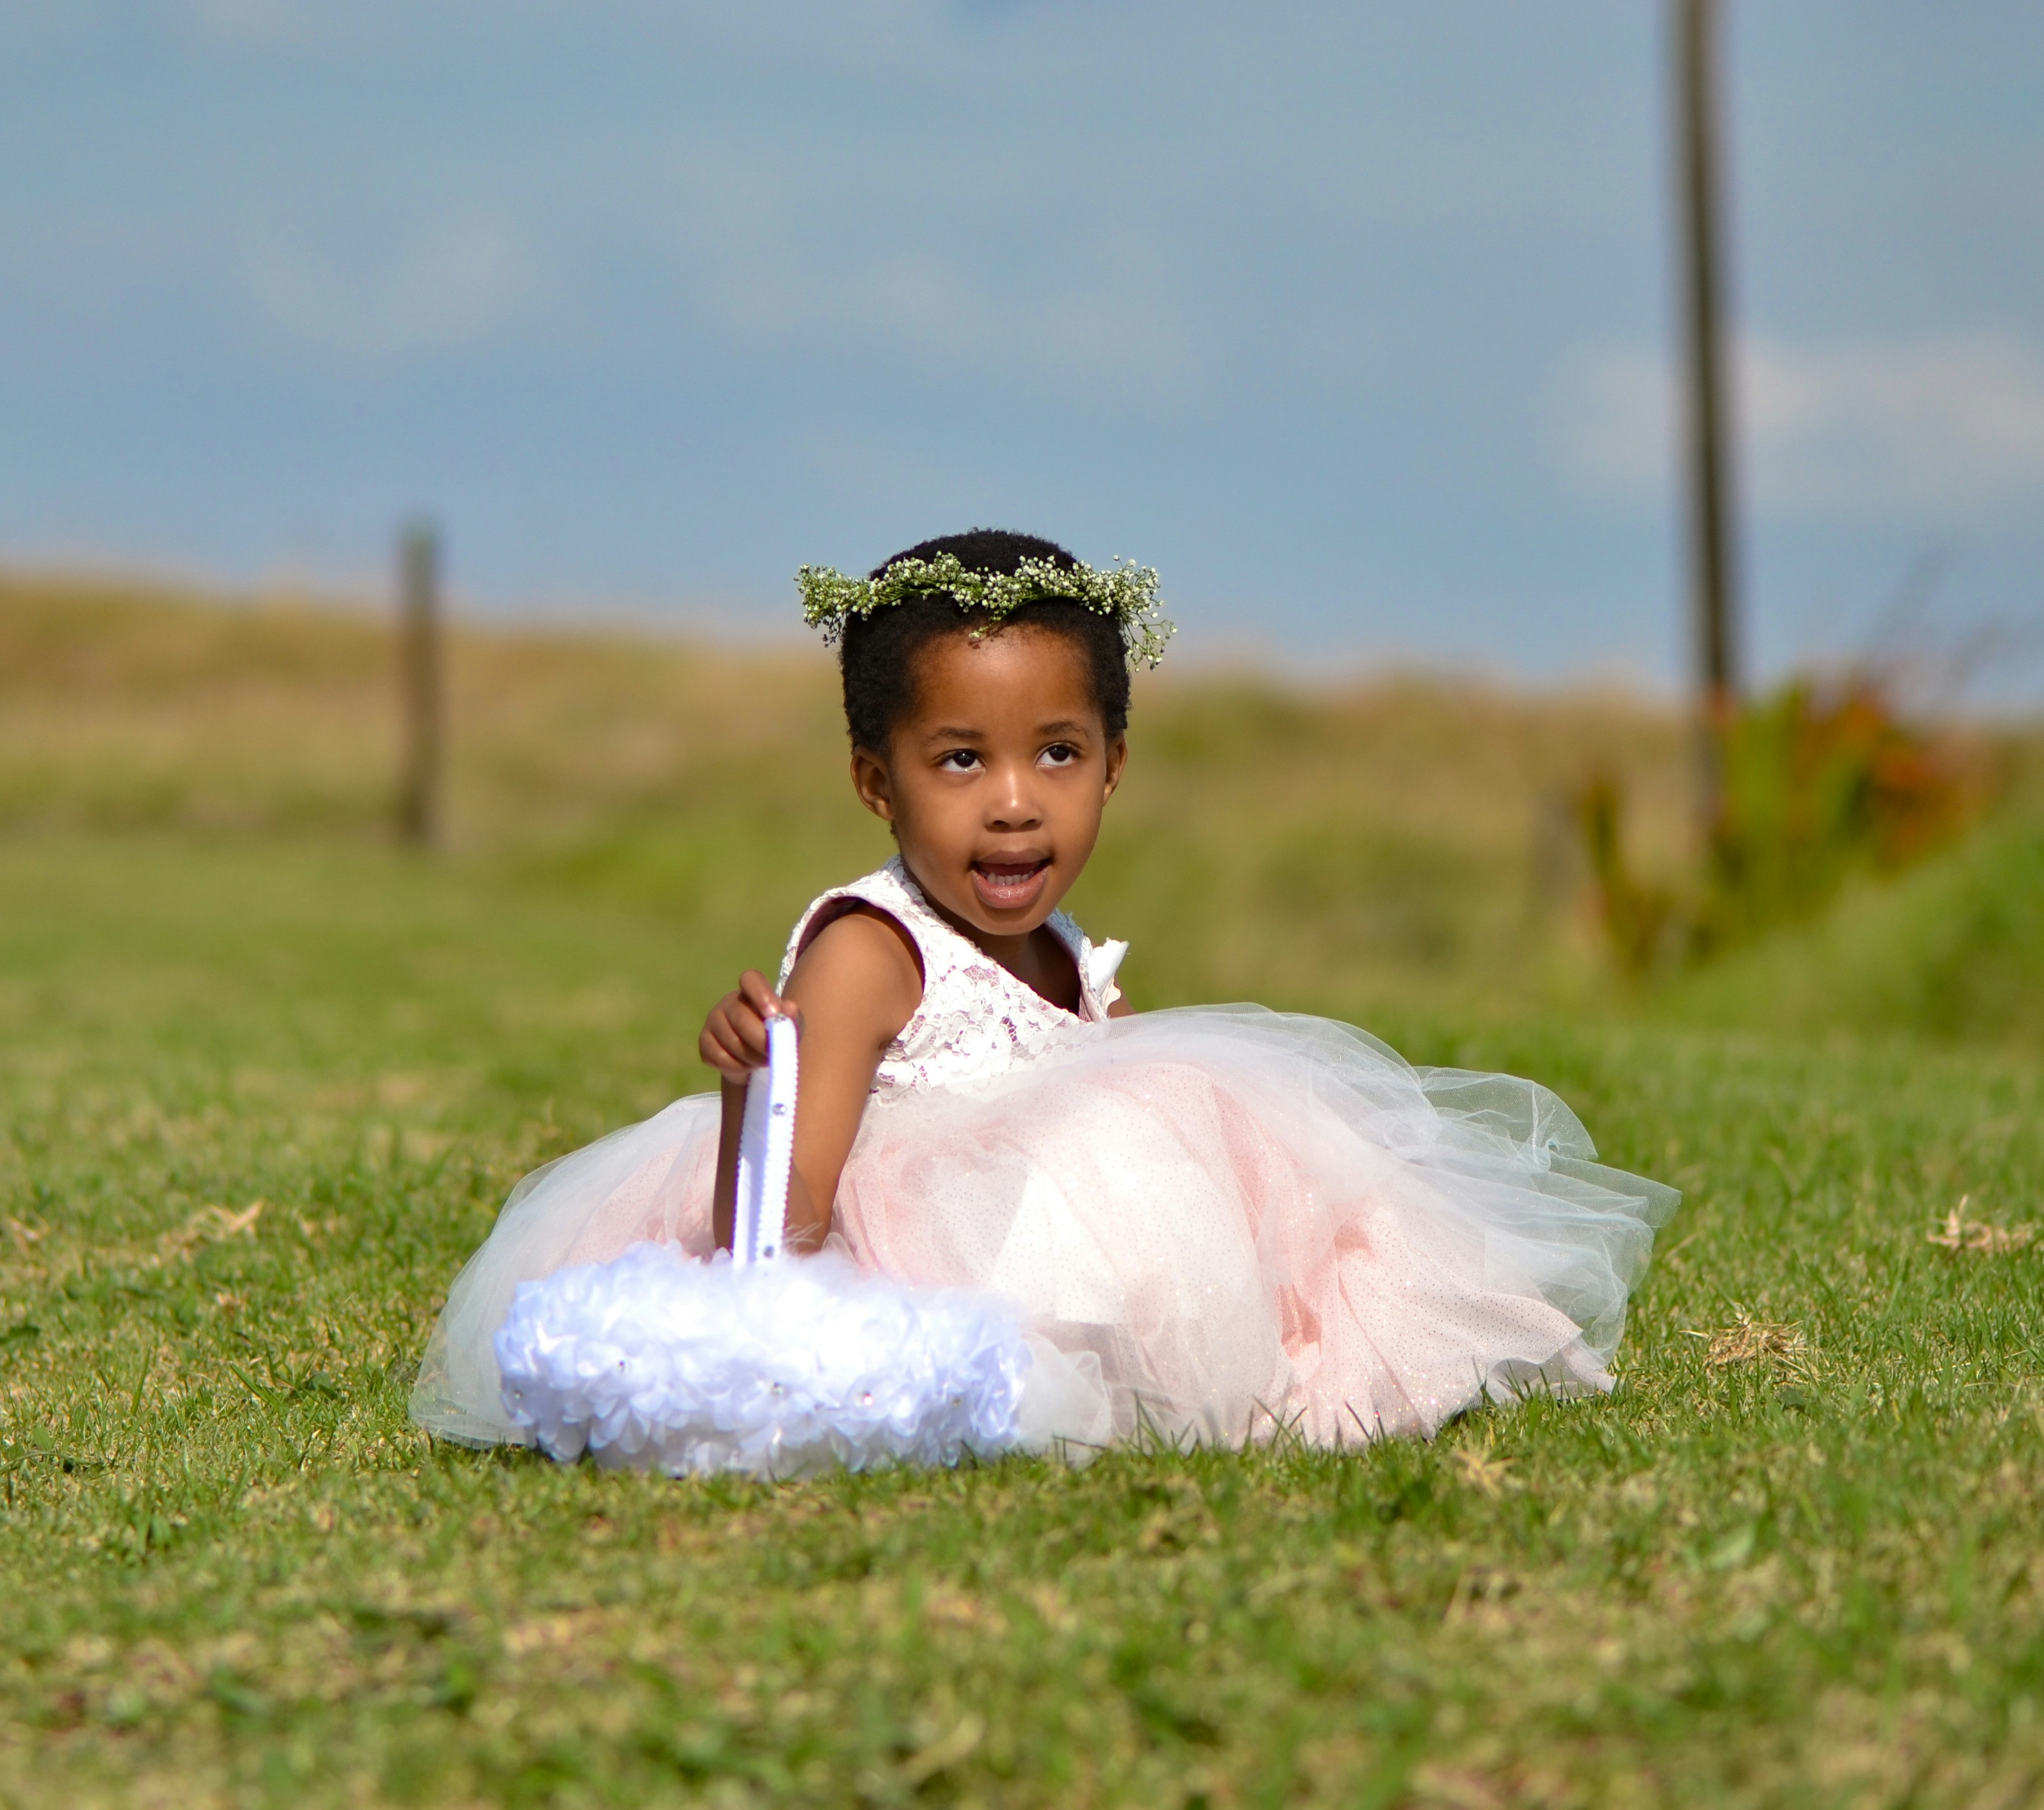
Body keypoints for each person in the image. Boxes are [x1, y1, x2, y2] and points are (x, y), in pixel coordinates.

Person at [411, 529, 1676, 1454]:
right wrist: (752, 1090)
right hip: (914, 1261)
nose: (1013, 801)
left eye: (1055, 755)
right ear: (875, 781)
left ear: (1113, 767)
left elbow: (1131, 1138)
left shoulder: (1067, 948)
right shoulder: (871, 949)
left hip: (1043, 1242)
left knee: (1227, 1136)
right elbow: (787, 1223)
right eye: (959, 760)